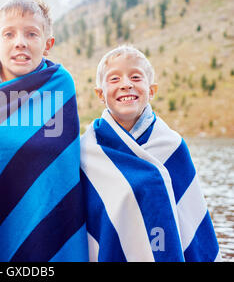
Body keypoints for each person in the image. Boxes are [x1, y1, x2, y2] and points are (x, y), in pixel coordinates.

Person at [0, 0, 88, 261]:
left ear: (48, 45)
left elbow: (63, 161)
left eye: (31, 34)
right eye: (8, 34)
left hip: (46, 226)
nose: (20, 42)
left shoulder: (59, 85)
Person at [80, 45, 220, 261]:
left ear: (152, 90)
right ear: (100, 94)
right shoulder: (87, 151)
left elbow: (190, 218)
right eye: (114, 79)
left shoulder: (172, 147)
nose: (126, 84)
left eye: (136, 77)